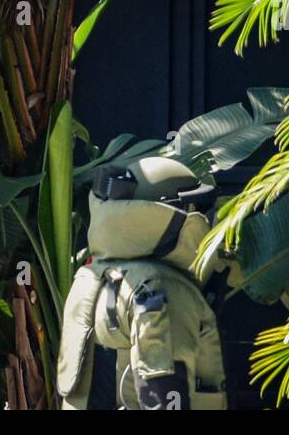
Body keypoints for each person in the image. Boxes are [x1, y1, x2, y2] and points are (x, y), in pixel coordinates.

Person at [57, 156, 227, 410]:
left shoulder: (92, 276)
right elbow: (164, 392)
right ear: (179, 214)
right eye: (198, 208)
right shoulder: (164, 286)